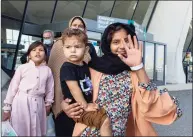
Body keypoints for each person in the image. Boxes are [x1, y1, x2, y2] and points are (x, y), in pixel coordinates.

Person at [61, 23, 182, 136]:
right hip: (87, 131)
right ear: (108, 45)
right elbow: (75, 91)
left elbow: (150, 101)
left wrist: (138, 66)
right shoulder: (93, 68)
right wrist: (65, 105)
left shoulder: (135, 72)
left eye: (126, 40)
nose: (122, 46)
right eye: (116, 42)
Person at [48, 16, 97, 136]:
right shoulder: (58, 45)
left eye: (81, 26)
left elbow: (94, 71)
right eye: (74, 25)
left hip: (85, 100)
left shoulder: (89, 47)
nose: (77, 27)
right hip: (64, 101)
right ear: (69, 27)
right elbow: (51, 73)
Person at [60, 28, 112, 136]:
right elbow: (74, 89)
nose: (72, 50)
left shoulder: (84, 65)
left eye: (77, 47)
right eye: (68, 47)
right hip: (78, 108)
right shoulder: (67, 67)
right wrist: (86, 106)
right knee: (105, 121)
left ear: (86, 49)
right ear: (63, 49)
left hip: (85, 106)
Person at [2, 41, 54, 136]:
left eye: (41, 50)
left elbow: (50, 88)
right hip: (21, 103)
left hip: (39, 103)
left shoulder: (47, 70)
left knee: (37, 130)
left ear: (45, 55)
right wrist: (7, 108)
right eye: (34, 50)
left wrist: (48, 104)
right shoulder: (22, 68)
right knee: (21, 129)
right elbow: (13, 88)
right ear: (29, 55)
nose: (37, 52)